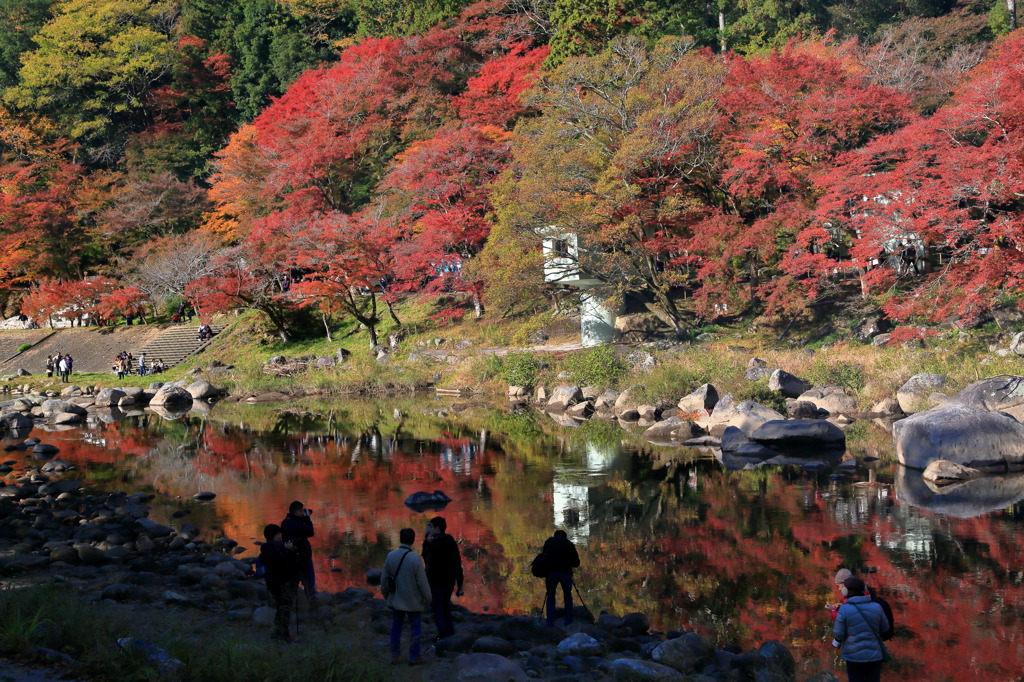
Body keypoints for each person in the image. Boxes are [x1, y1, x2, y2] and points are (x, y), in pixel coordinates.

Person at [381, 528, 431, 666]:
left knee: (396, 627)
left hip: (397, 599)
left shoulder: (391, 556)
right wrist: (428, 598)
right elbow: (422, 582)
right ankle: (414, 656)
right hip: (413, 600)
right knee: (415, 628)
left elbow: (384, 579)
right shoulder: (415, 558)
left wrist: (386, 595)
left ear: (400, 539)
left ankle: (395, 655)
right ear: (413, 540)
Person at [833, 577, 889, 682]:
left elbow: (839, 634)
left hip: (854, 656)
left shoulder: (844, 609)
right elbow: (885, 628)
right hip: (874, 655)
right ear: (864, 590)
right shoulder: (877, 607)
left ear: (847, 591)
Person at [421, 516, 463, 640]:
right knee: (446, 607)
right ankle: (450, 632)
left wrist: (426, 543)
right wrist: (460, 582)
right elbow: (457, 562)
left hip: (436, 581)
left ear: (437, 528)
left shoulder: (435, 543)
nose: (430, 529)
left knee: (438, 608)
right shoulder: (450, 540)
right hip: (449, 580)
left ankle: (443, 635)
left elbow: (428, 560)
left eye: (431, 527)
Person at [259, 523, 302, 642]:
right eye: (278, 534)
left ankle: (278, 632)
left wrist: (293, 551)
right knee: (284, 608)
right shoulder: (267, 548)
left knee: (283, 607)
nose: (281, 536)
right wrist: (287, 550)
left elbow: (292, 562)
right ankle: (283, 634)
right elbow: (278, 560)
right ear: (273, 536)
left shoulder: (280, 547)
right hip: (277, 582)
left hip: (284, 581)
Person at [827, 569, 895, 641]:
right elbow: (885, 627)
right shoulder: (868, 595)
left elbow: (843, 626)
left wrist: (833, 611)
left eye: (839, 586)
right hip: (874, 642)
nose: (839, 589)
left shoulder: (850, 601)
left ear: (845, 585)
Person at [541, 529, 581, 627]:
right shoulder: (569, 544)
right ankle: (568, 621)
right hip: (565, 573)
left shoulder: (549, 543)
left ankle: (550, 622)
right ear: (565, 536)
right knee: (567, 597)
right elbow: (576, 563)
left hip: (551, 573)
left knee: (550, 597)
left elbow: (543, 557)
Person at [280, 501, 316, 603]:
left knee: (292, 584)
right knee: (309, 583)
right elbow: (310, 532)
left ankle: (290, 604)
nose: (302, 513)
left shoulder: (285, 522)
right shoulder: (296, 524)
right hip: (303, 557)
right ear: (297, 511)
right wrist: (307, 518)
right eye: (301, 511)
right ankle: (311, 604)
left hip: (291, 558)